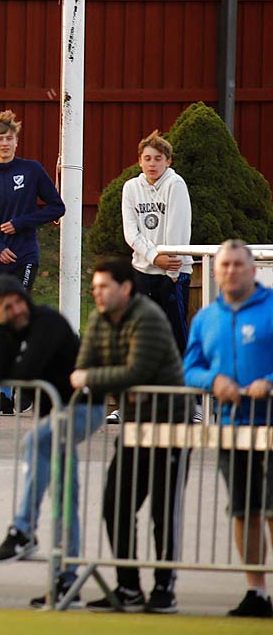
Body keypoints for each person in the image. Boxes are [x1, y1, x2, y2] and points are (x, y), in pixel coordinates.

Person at [74, 255, 189, 614]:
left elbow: (134, 371)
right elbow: (83, 365)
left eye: (104, 287)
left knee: (163, 510)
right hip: (134, 424)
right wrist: (100, 377)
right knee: (116, 504)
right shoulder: (98, 320)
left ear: (125, 288)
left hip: (169, 424)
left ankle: (164, 588)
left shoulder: (148, 317)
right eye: (94, 287)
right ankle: (128, 587)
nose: (97, 293)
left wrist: (95, 379)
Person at [0, 274, 95, 609]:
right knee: (65, 494)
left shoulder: (49, 321)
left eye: (17, 301)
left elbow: (28, 369)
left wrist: (14, 362)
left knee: (34, 444)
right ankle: (66, 579)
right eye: (5, 307)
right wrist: (2, 332)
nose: (15, 309)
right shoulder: (9, 331)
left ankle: (23, 530)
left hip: (84, 407)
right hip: (53, 415)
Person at [183, 239, 273, 618]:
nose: (231, 271)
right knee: (244, 510)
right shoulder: (205, 318)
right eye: (225, 265)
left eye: (238, 264)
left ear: (254, 270)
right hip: (232, 427)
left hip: (271, 425)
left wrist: (269, 380)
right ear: (214, 273)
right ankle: (256, 591)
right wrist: (213, 381)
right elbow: (190, 368)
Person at [0, 110, 66, 416]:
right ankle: (6, 397)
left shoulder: (31, 171)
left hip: (23, 258)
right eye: (0, 139)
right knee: (0, 325)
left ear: (16, 141)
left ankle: (26, 388)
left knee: (17, 321)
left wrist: (21, 223)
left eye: (10, 138)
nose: (5, 143)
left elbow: (56, 207)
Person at [123, 131, 193, 354]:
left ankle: (181, 384)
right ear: (139, 161)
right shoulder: (131, 188)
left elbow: (177, 229)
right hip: (143, 269)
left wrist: (171, 266)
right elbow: (131, 232)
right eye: (147, 158)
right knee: (143, 332)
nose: (152, 164)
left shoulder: (175, 184)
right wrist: (154, 257)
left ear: (168, 161)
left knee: (174, 333)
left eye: (158, 158)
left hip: (173, 272)